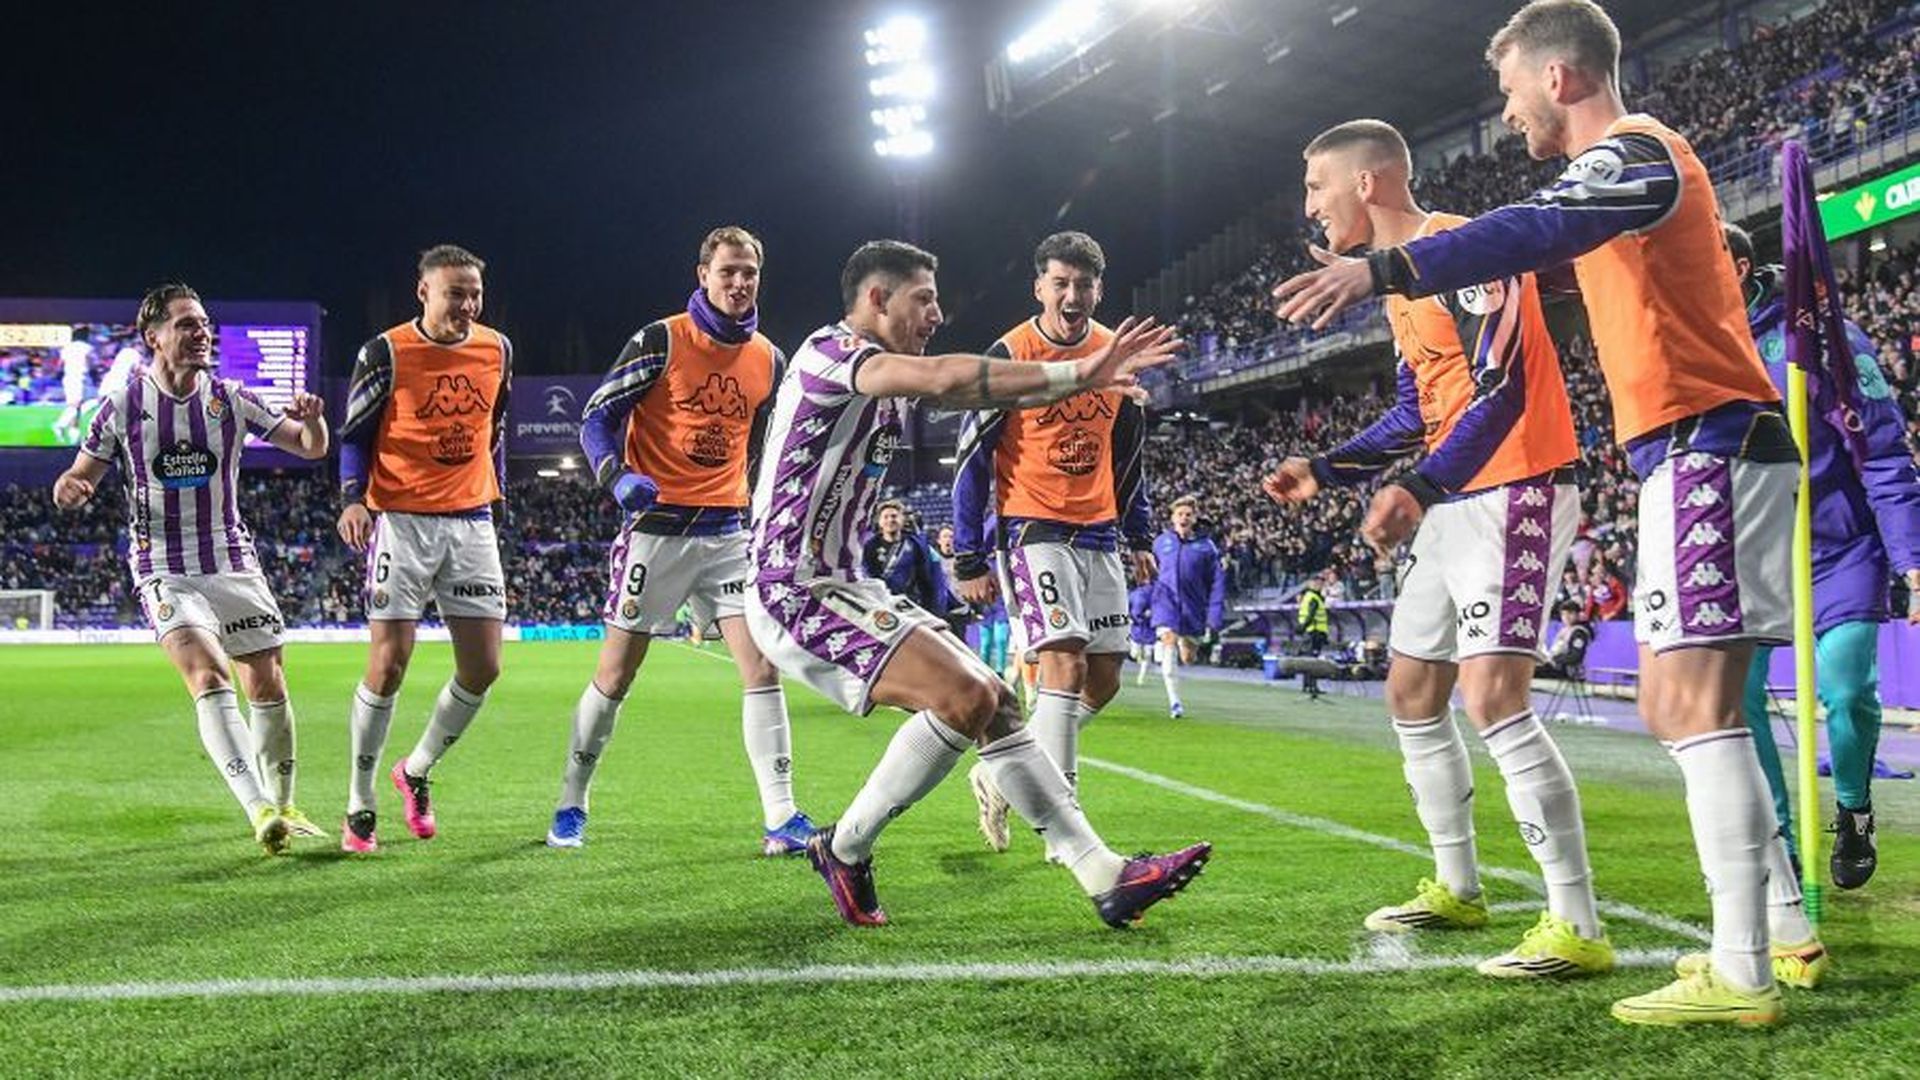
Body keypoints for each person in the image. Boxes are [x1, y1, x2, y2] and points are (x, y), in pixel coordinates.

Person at [1272, 0, 1802, 1024]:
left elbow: (1532, 240)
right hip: (1685, 447)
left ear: (1558, 77)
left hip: (1700, 443)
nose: (1506, 110)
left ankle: (1738, 968)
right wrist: (1341, 467)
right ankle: (1767, 938)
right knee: (1684, 708)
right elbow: (1538, 262)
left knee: (1683, 709)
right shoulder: (1618, 182)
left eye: (1511, 87)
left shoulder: (1634, 152)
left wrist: (1386, 264)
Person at [745, 239, 1207, 928]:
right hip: (793, 587)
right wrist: (1079, 373)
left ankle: (1103, 874)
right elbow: (948, 381)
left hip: (845, 582)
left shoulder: (872, 371)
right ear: (877, 299)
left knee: (996, 703)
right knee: (968, 694)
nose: (937, 313)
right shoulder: (831, 355)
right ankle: (844, 848)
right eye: (923, 299)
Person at [1266, 118, 1609, 980]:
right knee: (1413, 688)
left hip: (1518, 484)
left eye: (1317, 187)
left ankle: (1577, 923)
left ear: (1368, 183)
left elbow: (1504, 390)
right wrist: (1327, 466)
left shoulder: (1460, 249)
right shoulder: (1399, 288)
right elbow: (1420, 411)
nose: (1311, 205)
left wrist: (1417, 487)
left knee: (1495, 697)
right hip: (1456, 495)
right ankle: (1459, 885)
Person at [552, 226, 809, 854]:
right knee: (616, 676)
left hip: (727, 531)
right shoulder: (660, 339)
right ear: (703, 275)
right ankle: (571, 800)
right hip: (656, 533)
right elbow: (597, 416)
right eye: (727, 272)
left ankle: (782, 817)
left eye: (749, 271)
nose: (739, 282)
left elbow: (773, 445)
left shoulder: (769, 359)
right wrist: (615, 477)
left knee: (761, 666)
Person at [52, 283, 330, 853]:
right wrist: (71, 488)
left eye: (204, 322)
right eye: (186, 323)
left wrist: (314, 421)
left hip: (231, 559)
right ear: (153, 337)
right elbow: (78, 475)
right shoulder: (124, 406)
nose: (201, 331)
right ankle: (259, 812)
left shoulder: (231, 398)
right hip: (163, 564)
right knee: (207, 675)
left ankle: (285, 804)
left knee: (268, 681)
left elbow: (309, 447)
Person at [1727, 222, 1920, 891]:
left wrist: (1910, 557)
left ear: (1743, 268)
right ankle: (1777, 838)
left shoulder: (1822, 336)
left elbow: (1885, 451)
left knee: (1847, 691)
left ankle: (1854, 812)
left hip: (1841, 546)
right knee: (1739, 696)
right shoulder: (1696, 339)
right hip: (1754, 546)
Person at [951, 231, 1155, 852]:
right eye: (1060, 283)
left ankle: (998, 774)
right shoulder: (1012, 354)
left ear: (1099, 289)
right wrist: (968, 554)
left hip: (1098, 531)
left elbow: (1128, 455)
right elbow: (971, 457)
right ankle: (1063, 823)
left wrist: (1140, 533)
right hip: (1032, 527)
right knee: (1061, 663)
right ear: (1039, 286)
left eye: (1084, 284)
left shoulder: (1113, 354)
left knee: (1104, 678)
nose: (1072, 295)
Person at [335, 244, 512, 853]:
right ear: (424, 292)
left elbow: (496, 428)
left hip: (470, 521)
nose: (466, 303)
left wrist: (500, 495)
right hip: (403, 521)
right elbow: (354, 433)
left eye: (474, 293)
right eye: (454, 291)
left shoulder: (497, 349)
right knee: (389, 663)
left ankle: (415, 769)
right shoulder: (384, 352)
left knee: (484, 667)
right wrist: (352, 498)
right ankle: (360, 801)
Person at [1150, 496, 1224, 718]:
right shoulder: (1161, 543)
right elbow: (1148, 575)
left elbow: (1217, 582)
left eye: (1188, 514)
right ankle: (1175, 702)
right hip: (1166, 603)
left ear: (1194, 518)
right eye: (1180, 514)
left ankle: (1184, 642)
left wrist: (1214, 617)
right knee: (1169, 640)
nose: (1184, 517)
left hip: (1194, 607)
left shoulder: (1207, 547)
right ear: (1173, 518)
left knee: (1188, 658)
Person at [862, 500, 945, 616]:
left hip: (912, 604)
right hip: (884, 604)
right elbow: (869, 577)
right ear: (879, 522)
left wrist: (932, 609)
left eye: (894, 516)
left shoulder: (915, 544)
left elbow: (925, 578)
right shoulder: (870, 546)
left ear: (902, 520)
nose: (890, 520)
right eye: (885, 517)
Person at [1294, 571, 1330, 700]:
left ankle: (1307, 685)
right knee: (1312, 661)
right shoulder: (1314, 598)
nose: (1319, 584)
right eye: (1317, 582)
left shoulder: (1309, 596)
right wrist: (1303, 628)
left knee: (1308, 660)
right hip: (1314, 632)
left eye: (1321, 582)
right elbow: (1311, 615)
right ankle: (1312, 686)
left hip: (1311, 632)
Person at [1537, 601, 1594, 680]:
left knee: (1531, 670)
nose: (1566, 617)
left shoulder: (1579, 633)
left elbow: (1575, 657)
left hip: (1566, 670)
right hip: (1555, 665)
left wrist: (1554, 659)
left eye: (1570, 613)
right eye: (1563, 614)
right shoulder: (1564, 630)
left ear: (1578, 615)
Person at [1128, 582, 1155, 685]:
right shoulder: (1134, 594)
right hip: (1137, 628)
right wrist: (1129, 617)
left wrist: (1152, 613)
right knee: (1134, 654)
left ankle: (1141, 678)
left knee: (1147, 655)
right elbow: (1127, 607)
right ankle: (1138, 657)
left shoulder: (1154, 593)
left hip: (1149, 629)